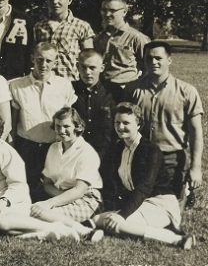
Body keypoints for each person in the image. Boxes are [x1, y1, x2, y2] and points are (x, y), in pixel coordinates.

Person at [0, 107, 78, 239]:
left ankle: (55, 228)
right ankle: (37, 234)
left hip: (11, 204)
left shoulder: (5, 151)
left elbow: (19, 185)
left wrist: (3, 201)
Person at [93, 102, 195, 250]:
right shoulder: (117, 148)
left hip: (160, 203)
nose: (120, 127)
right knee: (98, 219)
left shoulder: (151, 150)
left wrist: (122, 214)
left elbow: (144, 187)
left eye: (126, 123)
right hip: (138, 203)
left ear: (139, 124)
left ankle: (176, 239)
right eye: (117, 122)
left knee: (120, 223)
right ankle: (90, 230)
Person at [123, 40, 204, 197]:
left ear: (169, 60)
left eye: (158, 58)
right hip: (141, 156)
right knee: (141, 203)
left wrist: (196, 167)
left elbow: (196, 132)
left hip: (171, 159)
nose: (153, 62)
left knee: (173, 204)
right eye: (149, 58)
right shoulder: (133, 90)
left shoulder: (186, 92)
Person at [28, 107, 104, 242]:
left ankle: (84, 231)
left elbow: (79, 191)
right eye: (58, 126)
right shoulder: (53, 148)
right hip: (60, 195)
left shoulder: (87, 152)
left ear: (77, 127)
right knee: (33, 211)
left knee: (39, 213)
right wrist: (57, 200)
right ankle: (74, 230)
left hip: (85, 200)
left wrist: (49, 203)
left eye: (66, 126)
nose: (61, 131)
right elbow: (47, 184)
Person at [8, 42, 77, 191]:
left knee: (52, 188)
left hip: (54, 147)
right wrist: (12, 147)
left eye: (48, 60)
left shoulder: (64, 85)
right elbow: (12, 122)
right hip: (26, 147)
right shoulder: (16, 85)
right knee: (26, 188)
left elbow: (68, 119)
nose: (43, 64)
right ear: (33, 58)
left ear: (55, 62)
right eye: (39, 59)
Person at [33, 0, 95, 80]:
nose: (54, 2)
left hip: (71, 82)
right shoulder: (39, 26)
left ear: (69, 0)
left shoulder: (81, 26)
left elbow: (89, 59)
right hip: (45, 82)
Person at [94, 0, 149, 86]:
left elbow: (148, 67)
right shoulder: (99, 38)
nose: (107, 14)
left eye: (112, 10)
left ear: (124, 12)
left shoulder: (137, 37)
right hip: (103, 89)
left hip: (126, 89)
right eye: (104, 10)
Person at [71, 49, 118, 154]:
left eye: (92, 68)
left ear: (102, 68)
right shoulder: (68, 89)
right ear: (77, 67)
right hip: (76, 151)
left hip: (105, 154)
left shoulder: (114, 92)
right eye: (83, 67)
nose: (87, 72)